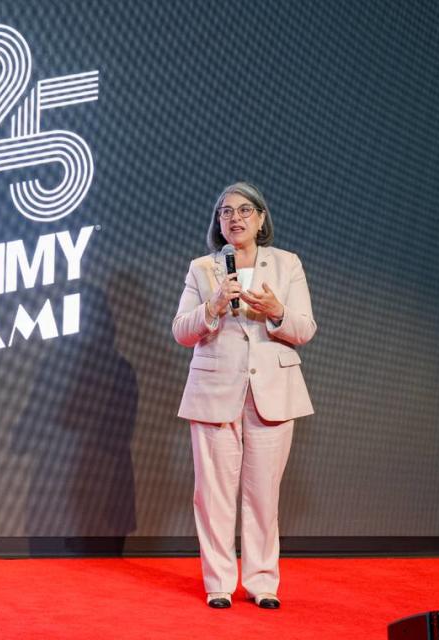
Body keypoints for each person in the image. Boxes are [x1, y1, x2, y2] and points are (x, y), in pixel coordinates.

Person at [172, 182, 315, 610]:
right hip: (216, 391)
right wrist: (212, 308)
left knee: (263, 494)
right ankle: (219, 583)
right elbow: (181, 330)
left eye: (244, 210)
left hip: (271, 392)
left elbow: (304, 328)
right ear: (218, 223)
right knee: (213, 494)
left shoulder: (287, 264)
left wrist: (277, 312)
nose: (235, 218)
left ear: (261, 219)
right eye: (226, 212)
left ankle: (262, 583)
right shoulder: (203, 269)